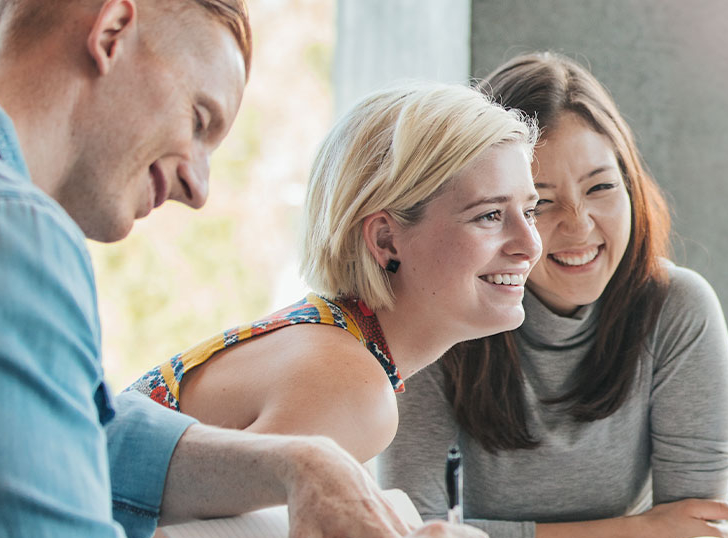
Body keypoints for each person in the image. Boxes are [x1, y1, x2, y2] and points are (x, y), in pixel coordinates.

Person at [0, 1, 492, 538]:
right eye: (200, 120)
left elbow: (59, 433)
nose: (198, 188)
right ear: (112, 32)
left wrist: (293, 463)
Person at [381, 52, 728, 538]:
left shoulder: (677, 308)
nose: (578, 226)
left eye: (601, 187)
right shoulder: (440, 310)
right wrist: (633, 533)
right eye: (540, 203)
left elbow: (691, 535)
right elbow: (415, 536)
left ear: (632, 186)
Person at [125, 81, 542, 464]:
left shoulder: (332, 340)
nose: (530, 244)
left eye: (529, 211)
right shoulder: (350, 389)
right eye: (489, 215)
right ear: (385, 240)